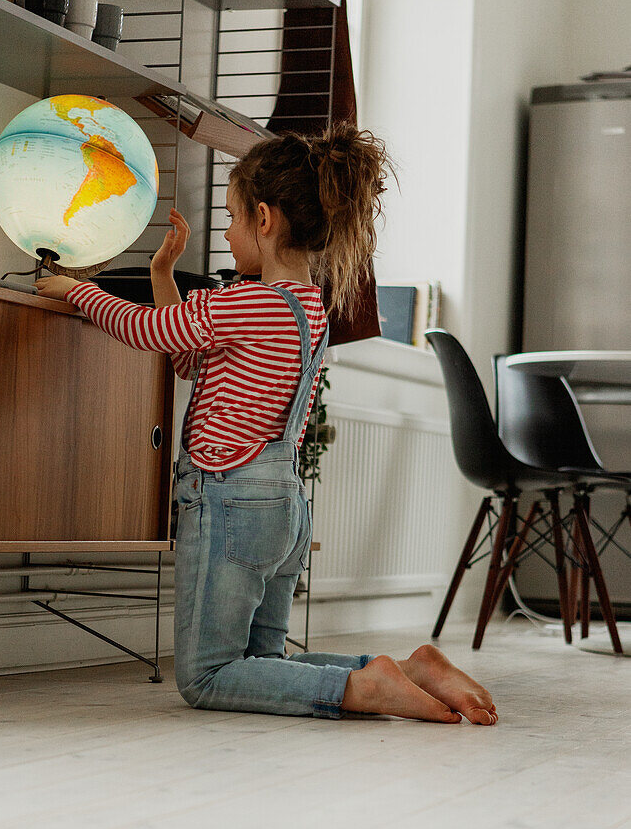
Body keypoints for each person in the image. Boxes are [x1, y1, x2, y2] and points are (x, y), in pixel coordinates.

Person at [36, 123, 497, 726]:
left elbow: (147, 332)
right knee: (261, 657)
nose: (225, 234)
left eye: (229, 218)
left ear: (264, 218)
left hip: (230, 500)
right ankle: (407, 672)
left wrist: (78, 291)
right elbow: (186, 356)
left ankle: (364, 688)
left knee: (207, 675)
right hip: (283, 503)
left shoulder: (241, 302)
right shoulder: (308, 309)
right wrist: (162, 275)